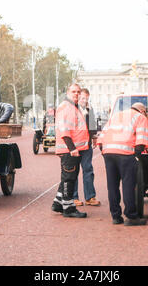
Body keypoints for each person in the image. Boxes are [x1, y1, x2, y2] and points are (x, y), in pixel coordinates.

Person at [97, 102, 148, 226]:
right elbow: (141, 139)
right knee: (128, 185)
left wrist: (105, 151)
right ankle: (131, 216)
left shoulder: (116, 115)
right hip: (125, 153)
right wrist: (136, 155)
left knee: (112, 185)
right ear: (142, 111)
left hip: (108, 152)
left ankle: (116, 216)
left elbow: (102, 135)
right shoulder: (140, 117)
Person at [51, 83, 89, 218]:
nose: (77, 94)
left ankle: (58, 203)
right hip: (70, 150)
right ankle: (68, 208)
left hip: (72, 149)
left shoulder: (73, 107)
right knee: (69, 178)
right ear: (68, 92)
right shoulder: (67, 107)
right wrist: (72, 148)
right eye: (74, 92)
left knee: (66, 177)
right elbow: (64, 130)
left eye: (78, 92)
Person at [73, 88, 100, 207]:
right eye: (83, 98)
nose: (84, 101)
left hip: (86, 144)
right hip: (74, 145)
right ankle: (73, 197)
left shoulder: (89, 109)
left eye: (86, 99)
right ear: (78, 98)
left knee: (88, 170)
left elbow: (92, 123)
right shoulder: (72, 109)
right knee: (73, 172)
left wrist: (94, 137)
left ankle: (90, 196)